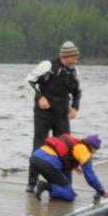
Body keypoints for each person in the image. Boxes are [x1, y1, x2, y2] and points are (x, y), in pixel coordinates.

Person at [25, 41, 82, 192]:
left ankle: (65, 182)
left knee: (65, 147)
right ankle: (32, 181)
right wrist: (40, 98)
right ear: (66, 56)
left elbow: (77, 92)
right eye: (74, 58)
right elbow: (27, 82)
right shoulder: (47, 66)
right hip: (44, 113)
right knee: (39, 146)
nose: (76, 61)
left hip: (62, 114)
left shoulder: (74, 71)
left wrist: (75, 107)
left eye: (77, 58)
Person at [31, 133, 108, 202]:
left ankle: (55, 190)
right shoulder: (84, 151)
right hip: (48, 163)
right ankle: (45, 186)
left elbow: (64, 154)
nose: (94, 152)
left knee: (64, 188)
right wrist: (101, 191)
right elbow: (90, 176)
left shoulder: (77, 143)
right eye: (96, 149)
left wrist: (75, 166)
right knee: (70, 196)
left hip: (35, 157)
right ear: (92, 147)